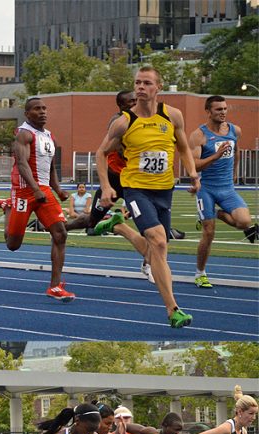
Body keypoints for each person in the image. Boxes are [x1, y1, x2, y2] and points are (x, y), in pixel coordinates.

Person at [96, 66, 200, 328]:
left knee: (158, 250)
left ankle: (120, 226)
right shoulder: (124, 122)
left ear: (158, 88)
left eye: (146, 83)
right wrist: (107, 186)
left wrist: (192, 173)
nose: (140, 87)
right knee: (159, 242)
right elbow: (101, 153)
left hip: (165, 190)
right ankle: (173, 309)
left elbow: (184, 147)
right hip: (136, 189)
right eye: (137, 83)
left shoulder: (172, 115)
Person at [0, 96, 74, 302]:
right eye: (37, 109)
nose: (43, 112)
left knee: (60, 233)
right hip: (24, 191)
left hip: (44, 190)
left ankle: (55, 287)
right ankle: (8, 208)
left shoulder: (49, 136)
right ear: (27, 114)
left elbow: (50, 167)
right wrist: (34, 188)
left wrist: (58, 189)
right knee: (13, 245)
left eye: (44, 108)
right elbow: (22, 164)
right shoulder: (24, 134)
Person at [189, 95, 258, 289]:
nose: (223, 113)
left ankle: (216, 214)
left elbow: (235, 152)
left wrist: (235, 173)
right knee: (208, 233)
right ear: (208, 111)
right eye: (219, 109)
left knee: (244, 222)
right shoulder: (198, 136)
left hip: (227, 187)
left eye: (225, 109)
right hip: (207, 189)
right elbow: (193, 166)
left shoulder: (235, 130)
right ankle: (200, 273)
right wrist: (216, 156)